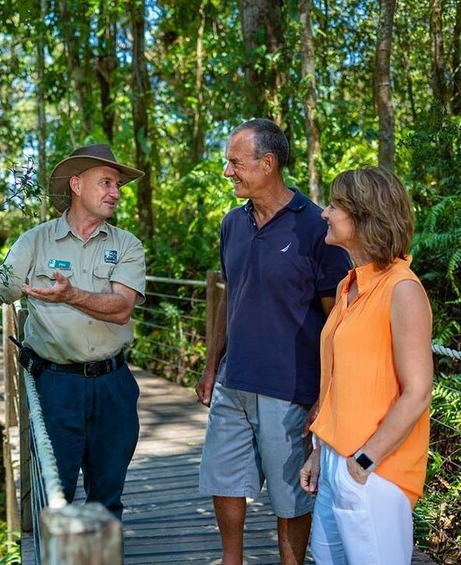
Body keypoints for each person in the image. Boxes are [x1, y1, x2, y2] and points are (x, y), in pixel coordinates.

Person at [0, 144, 146, 521]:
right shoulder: (34, 241)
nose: (115, 192)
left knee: (107, 502)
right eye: (106, 182)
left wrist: (71, 294)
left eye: (118, 185)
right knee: (54, 502)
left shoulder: (126, 245)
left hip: (113, 386)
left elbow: (122, 308)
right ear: (76, 184)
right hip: (57, 387)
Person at [195, 118, 351, 565]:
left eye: (235, 162)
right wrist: (212, 368)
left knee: (290, 497)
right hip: (233, 380)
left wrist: (327, 394)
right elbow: (230, 296)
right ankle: (232, 560)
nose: (228, 172)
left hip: (290, 388)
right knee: (223, 479)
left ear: (267, 163)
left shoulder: (317, 227)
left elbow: (337, 319)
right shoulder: (232, 224)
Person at [299, 167, 433, 564]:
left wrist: (363, 463)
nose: (325, 212)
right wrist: (319, 453)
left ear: (363, 216)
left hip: (375, 470)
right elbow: (340, 384)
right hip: (335, 463)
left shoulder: (402, 289)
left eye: (336, 205)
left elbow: (418, 392)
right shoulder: (348, 285)